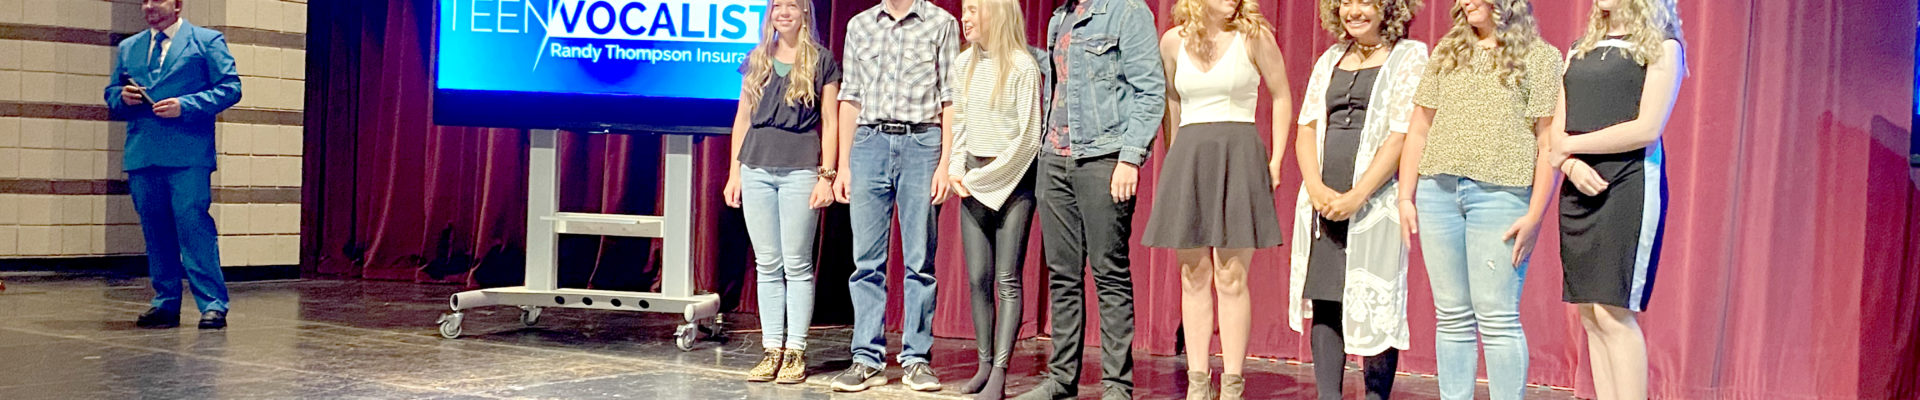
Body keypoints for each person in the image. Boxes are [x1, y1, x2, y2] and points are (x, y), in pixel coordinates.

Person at [1396, 0, 1559, 398]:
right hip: (1438, 191)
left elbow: (1548, 142)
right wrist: (1405, 196)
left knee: (1498, 317)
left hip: (1501, 195)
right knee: (1452, 317)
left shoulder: (1541, 57)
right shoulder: (1448, 51)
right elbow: (1419, 128)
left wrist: (1536, 215)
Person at [1012, 0, 1164, 398]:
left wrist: (1130, 157)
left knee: (1109, 272)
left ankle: (1117, 385)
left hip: (1103, 156)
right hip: (1054, 158)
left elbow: (1151, 91)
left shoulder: (1128, 12)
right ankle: (1062, 379)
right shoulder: (1059, 17)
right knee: (1062, 274)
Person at [1143, 0, 1289, 397]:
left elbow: (1281, 94)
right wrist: (1175, 160)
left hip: (1239, 155)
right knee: (1193, 276)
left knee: (1231, 275)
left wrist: (1275, 159)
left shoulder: (1254, 36)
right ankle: (1197, 384)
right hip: (1189, 156)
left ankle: (1232, 385)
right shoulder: (1172, 42)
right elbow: (1172, 101)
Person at [1543, 0, 1685, 398]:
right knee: (1590, 314)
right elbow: (1557, 130)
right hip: (1579, 187)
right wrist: (1570, 164)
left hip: (1627, 186)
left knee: (1612, 312)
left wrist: (1570, 148)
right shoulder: (1580, 48)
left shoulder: (1662, 46)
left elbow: (1647, 128)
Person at [1286, 1, 1427, 399]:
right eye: (1345, 2)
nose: (1353, 11)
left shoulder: (1410, 56)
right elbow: (1306, 127)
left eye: (1364, 1)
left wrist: (1358, 195)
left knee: (1377, 304)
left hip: (1375, 200)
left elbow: (1401, 134)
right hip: (1324, 198)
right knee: (1327, 296)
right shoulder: (1330, 58)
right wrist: (1315, 187)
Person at [828, 0, 960, 392]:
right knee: (866, 261)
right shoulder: (860, 24)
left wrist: (946, 163)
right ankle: (867, 359)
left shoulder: (941, 22)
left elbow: (951, 98)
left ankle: (916, 359)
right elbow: (850, 97)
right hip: (869, 142)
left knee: (920, 260)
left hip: (922, 142)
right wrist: (844, 165)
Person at [721, 0, 842, 385]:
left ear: (805, 12)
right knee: (768, 264)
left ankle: (795, 351)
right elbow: (742, 118)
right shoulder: (757, 59)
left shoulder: (822, 60)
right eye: (777, 6)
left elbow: (831, 121)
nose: (783, 12)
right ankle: (772, 348)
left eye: (792, 5)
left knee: (797, 263)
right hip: (755, 166)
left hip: (800, 169)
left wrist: (826, 176)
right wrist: (734, 173)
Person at [104, 0, 242, 330]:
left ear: (178, 5)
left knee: (193, 226)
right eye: (145, 0)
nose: (149, 6)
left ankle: (213, 304)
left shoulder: (206, 41)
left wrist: (186, 105)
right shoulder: (129, 47)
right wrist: (121, 97)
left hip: (188, 155)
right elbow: (111, 93)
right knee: (155, 231)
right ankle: (165, 302)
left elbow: (230, 88)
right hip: (143, 152)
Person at [946, 0, 1044, 398]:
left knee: (1007, 279)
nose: (965, 18)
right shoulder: (963, 64)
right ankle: (984, 364)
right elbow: (960, 124)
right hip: (972, 180)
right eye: (964, 10)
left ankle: (1001, 371)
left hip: (1011, 182)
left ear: (995, 12)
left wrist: (982, 179)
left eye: (973, 9)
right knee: (977, 278)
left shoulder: (1022, 66)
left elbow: (1028, 138)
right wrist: (956, 168)